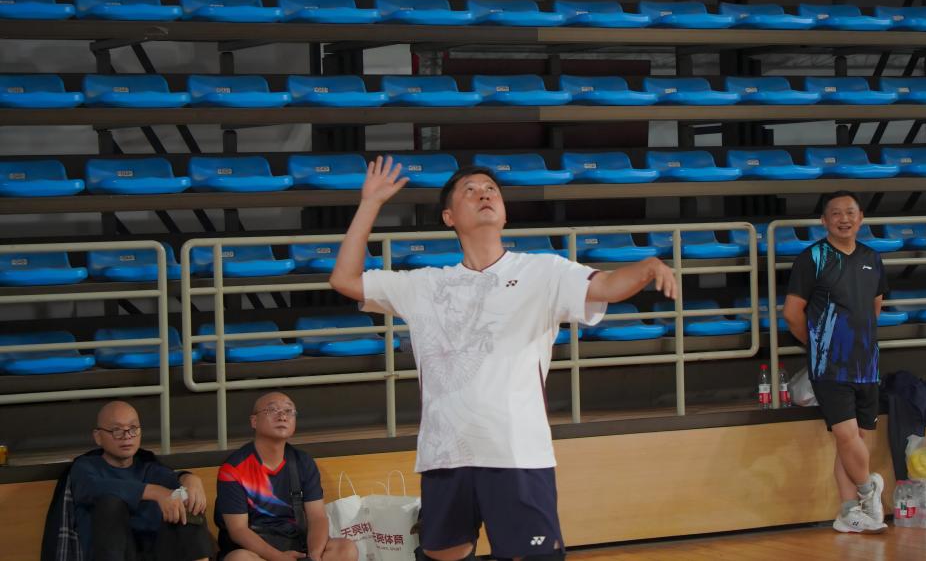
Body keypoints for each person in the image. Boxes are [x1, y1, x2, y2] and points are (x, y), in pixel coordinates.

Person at [329, 158, 677, 561]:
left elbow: (608, 286)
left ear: (505, 212)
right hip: (446, 454)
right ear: (448, 217)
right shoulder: (425, 285)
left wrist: (648, 266)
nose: (484, 194)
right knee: (442, 556)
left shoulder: (544, 272)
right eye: (470, 190)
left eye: (491, 189)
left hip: (517, 453)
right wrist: (370, 203)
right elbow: (344, 280)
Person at [782, 190, 888, 534]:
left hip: (866, 362)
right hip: (829, 365)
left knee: (855, 439)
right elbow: (792, 313)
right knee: (846, 434)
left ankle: (847, 512)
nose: (844, 219)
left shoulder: (872, 257)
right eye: (836, 213)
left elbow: (874, 306)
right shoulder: (811, 258)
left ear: (861, 218)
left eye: (850, 212)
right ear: (824, 220)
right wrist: (818, 344)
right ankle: (869, 490)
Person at [214, 392, 358, 561]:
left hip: (297, 546)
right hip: (256, 552)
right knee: (239, 559)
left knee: (345, 549)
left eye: (289, 411)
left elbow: (317, 517)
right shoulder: (233, 468)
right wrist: (279, 558)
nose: (282, 416)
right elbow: (238, 530)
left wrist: (314, 555)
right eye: (272, 410)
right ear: (254, 421)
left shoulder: (303, 461)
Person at [68, 400, 212, 561]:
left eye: (133, 428)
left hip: (157, 552)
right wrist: (154, 492)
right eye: (117, 430)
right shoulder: (85, 468)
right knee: (110, 502)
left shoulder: (147, 467)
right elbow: (94, 487)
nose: (127, 436)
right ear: (98, 437)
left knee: (187, 500)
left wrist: (190, 479)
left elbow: (172, 478)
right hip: (113, 553)